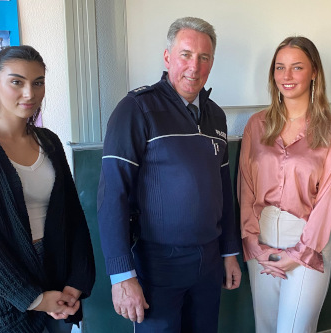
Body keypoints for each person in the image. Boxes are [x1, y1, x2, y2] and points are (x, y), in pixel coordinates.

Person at [97, 17, 241, 333]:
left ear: (212, 62)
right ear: (167, 57)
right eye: (186, 54)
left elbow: (223, 191)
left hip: (209, 260)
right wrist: (122, 276)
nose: (194, 66)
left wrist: (230, 252)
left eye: (204, 58)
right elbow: (113, 197)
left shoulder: (216, 115)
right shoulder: (136, 108)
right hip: (157, 264)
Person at [0, 45, 95, 333]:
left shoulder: (49, 141)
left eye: (38, 82)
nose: (30, 93)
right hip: (2, 291)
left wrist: (77, 280)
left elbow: (72, 216)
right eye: (17, 82)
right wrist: (33, 298)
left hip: (57, 280)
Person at [238, 36, 331, 333]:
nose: (286, 76)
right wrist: (252, 243)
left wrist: (300, 252)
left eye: (296, 67)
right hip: (261, 239)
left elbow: (328, 201)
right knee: (266, 328)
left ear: (314, 72)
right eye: (280, 67)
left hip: (308, 238)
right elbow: (245, 188)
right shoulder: (256, 124)